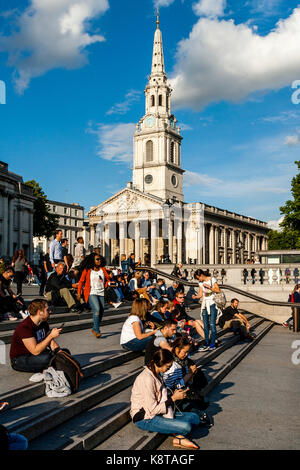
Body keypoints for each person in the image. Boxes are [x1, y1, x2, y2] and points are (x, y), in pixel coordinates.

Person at [130, 349, 200, 450]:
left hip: (159, 412)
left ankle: (177, 433)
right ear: (160, 363)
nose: (169, 368)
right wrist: (173, 398)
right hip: (145, 417)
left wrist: (178, 393)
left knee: (194, 418)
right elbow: (152, 409)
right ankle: (178, 438)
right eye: (168, 366)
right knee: (186, 427)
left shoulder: (157, 374)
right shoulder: (147, 379)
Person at [10, 299, 62, 372]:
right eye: (47, 310)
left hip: (35, 355)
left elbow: (51, 342)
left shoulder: (43, 323)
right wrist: (51, 336)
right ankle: (50, 366)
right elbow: (35, 351)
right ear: (39, 312)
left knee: (62, 354)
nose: (50, 312)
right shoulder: (25, 327)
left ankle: (51, 366)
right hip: (20, 359)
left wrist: (59, 352)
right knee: (47, 358)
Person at [161, 336, 209, 414]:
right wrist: (189, 374)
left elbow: (186, 380)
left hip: (183, 389)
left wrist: (192, 375)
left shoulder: (184, 361)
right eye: (185, 352)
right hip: (173, 395)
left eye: (188, 352)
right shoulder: (171, 365)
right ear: (177, 349)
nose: (186, 355)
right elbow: (172, 388)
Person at [78, 253, 114, 338]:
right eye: (97, 259)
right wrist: (79, 292)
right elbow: (81, 281)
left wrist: (109, 283)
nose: (99, 261)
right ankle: (97, 330)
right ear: (92, 261)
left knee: (101, 311)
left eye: (100, 259)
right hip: (91, 292)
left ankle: (94, 327)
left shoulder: (103, 269)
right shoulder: (87, 270)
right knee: (97, 309)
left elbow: (107, 280)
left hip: (101, 292)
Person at [195, 269, 220, 351]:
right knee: (205, 325)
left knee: (212, 324)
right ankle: (206, 343)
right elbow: (200, 294)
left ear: (201, 275)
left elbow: (218, 290)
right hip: (204, 304)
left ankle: (213, 343)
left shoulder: (212, 279)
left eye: (198, 277)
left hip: (212, 303)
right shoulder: (200, 283)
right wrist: (195, 297)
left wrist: (209, 287)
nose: (199, 279)